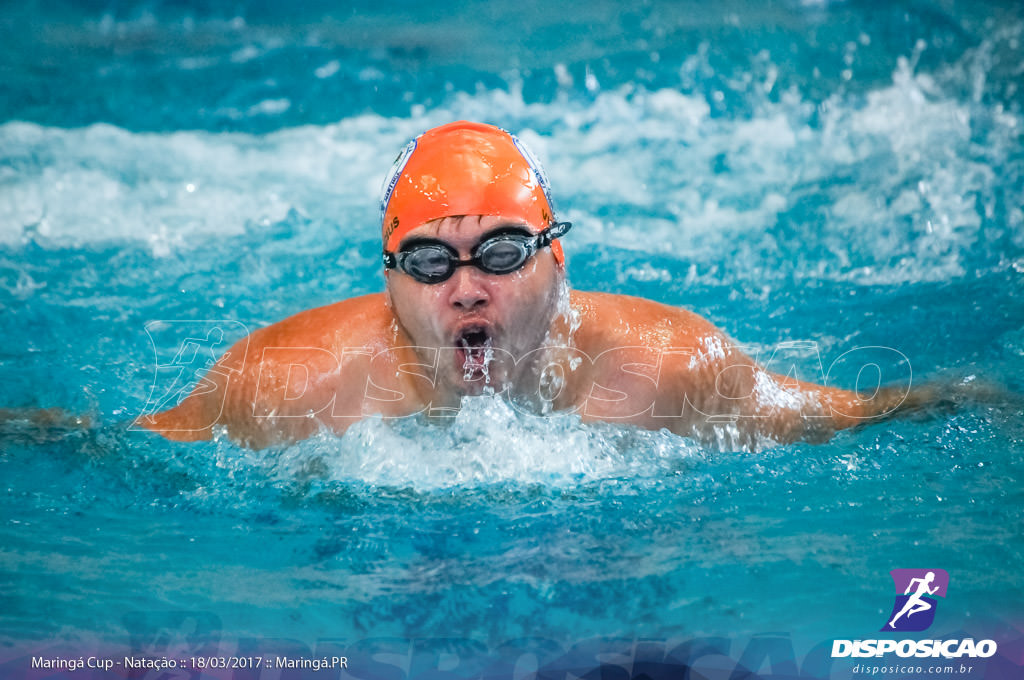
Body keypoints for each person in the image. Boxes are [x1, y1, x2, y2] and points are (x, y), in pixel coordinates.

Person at [138, 120, 924, 450]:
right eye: (430, 262)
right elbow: (115, 449)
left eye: (502, 252)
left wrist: (971, 399)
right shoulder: (286, 384)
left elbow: (857, 416)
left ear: (557, 260)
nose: (468, 288)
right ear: (390, 283)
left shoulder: (670, 370)